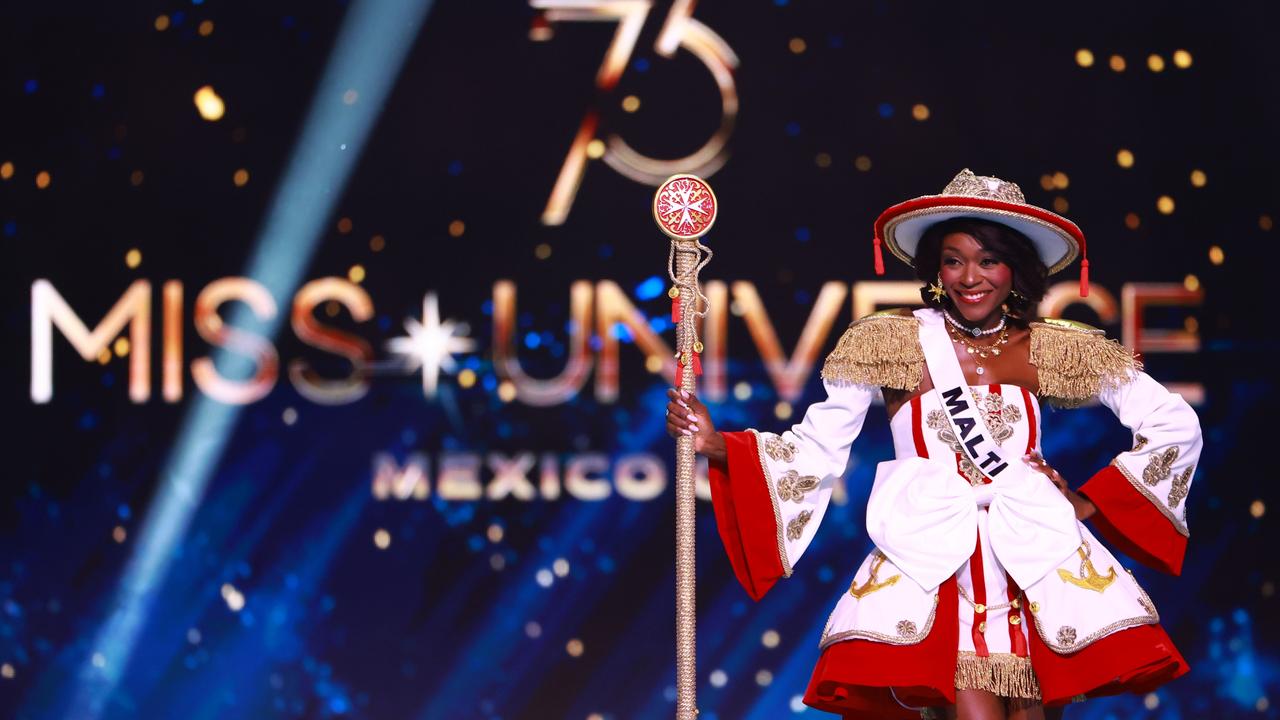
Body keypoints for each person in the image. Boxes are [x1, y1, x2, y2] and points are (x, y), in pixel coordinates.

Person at [665, 169, 1201, 720]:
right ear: (935, 268)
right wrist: (719, 444)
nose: (971, 276)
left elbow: (1173, 423)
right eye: (954, 259)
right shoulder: (891, 340)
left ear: (1014, 266)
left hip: (1036, 561)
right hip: (934, 566)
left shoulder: (1052, 348)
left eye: (988, 259)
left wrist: (1088, 503)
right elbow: (818, 445)